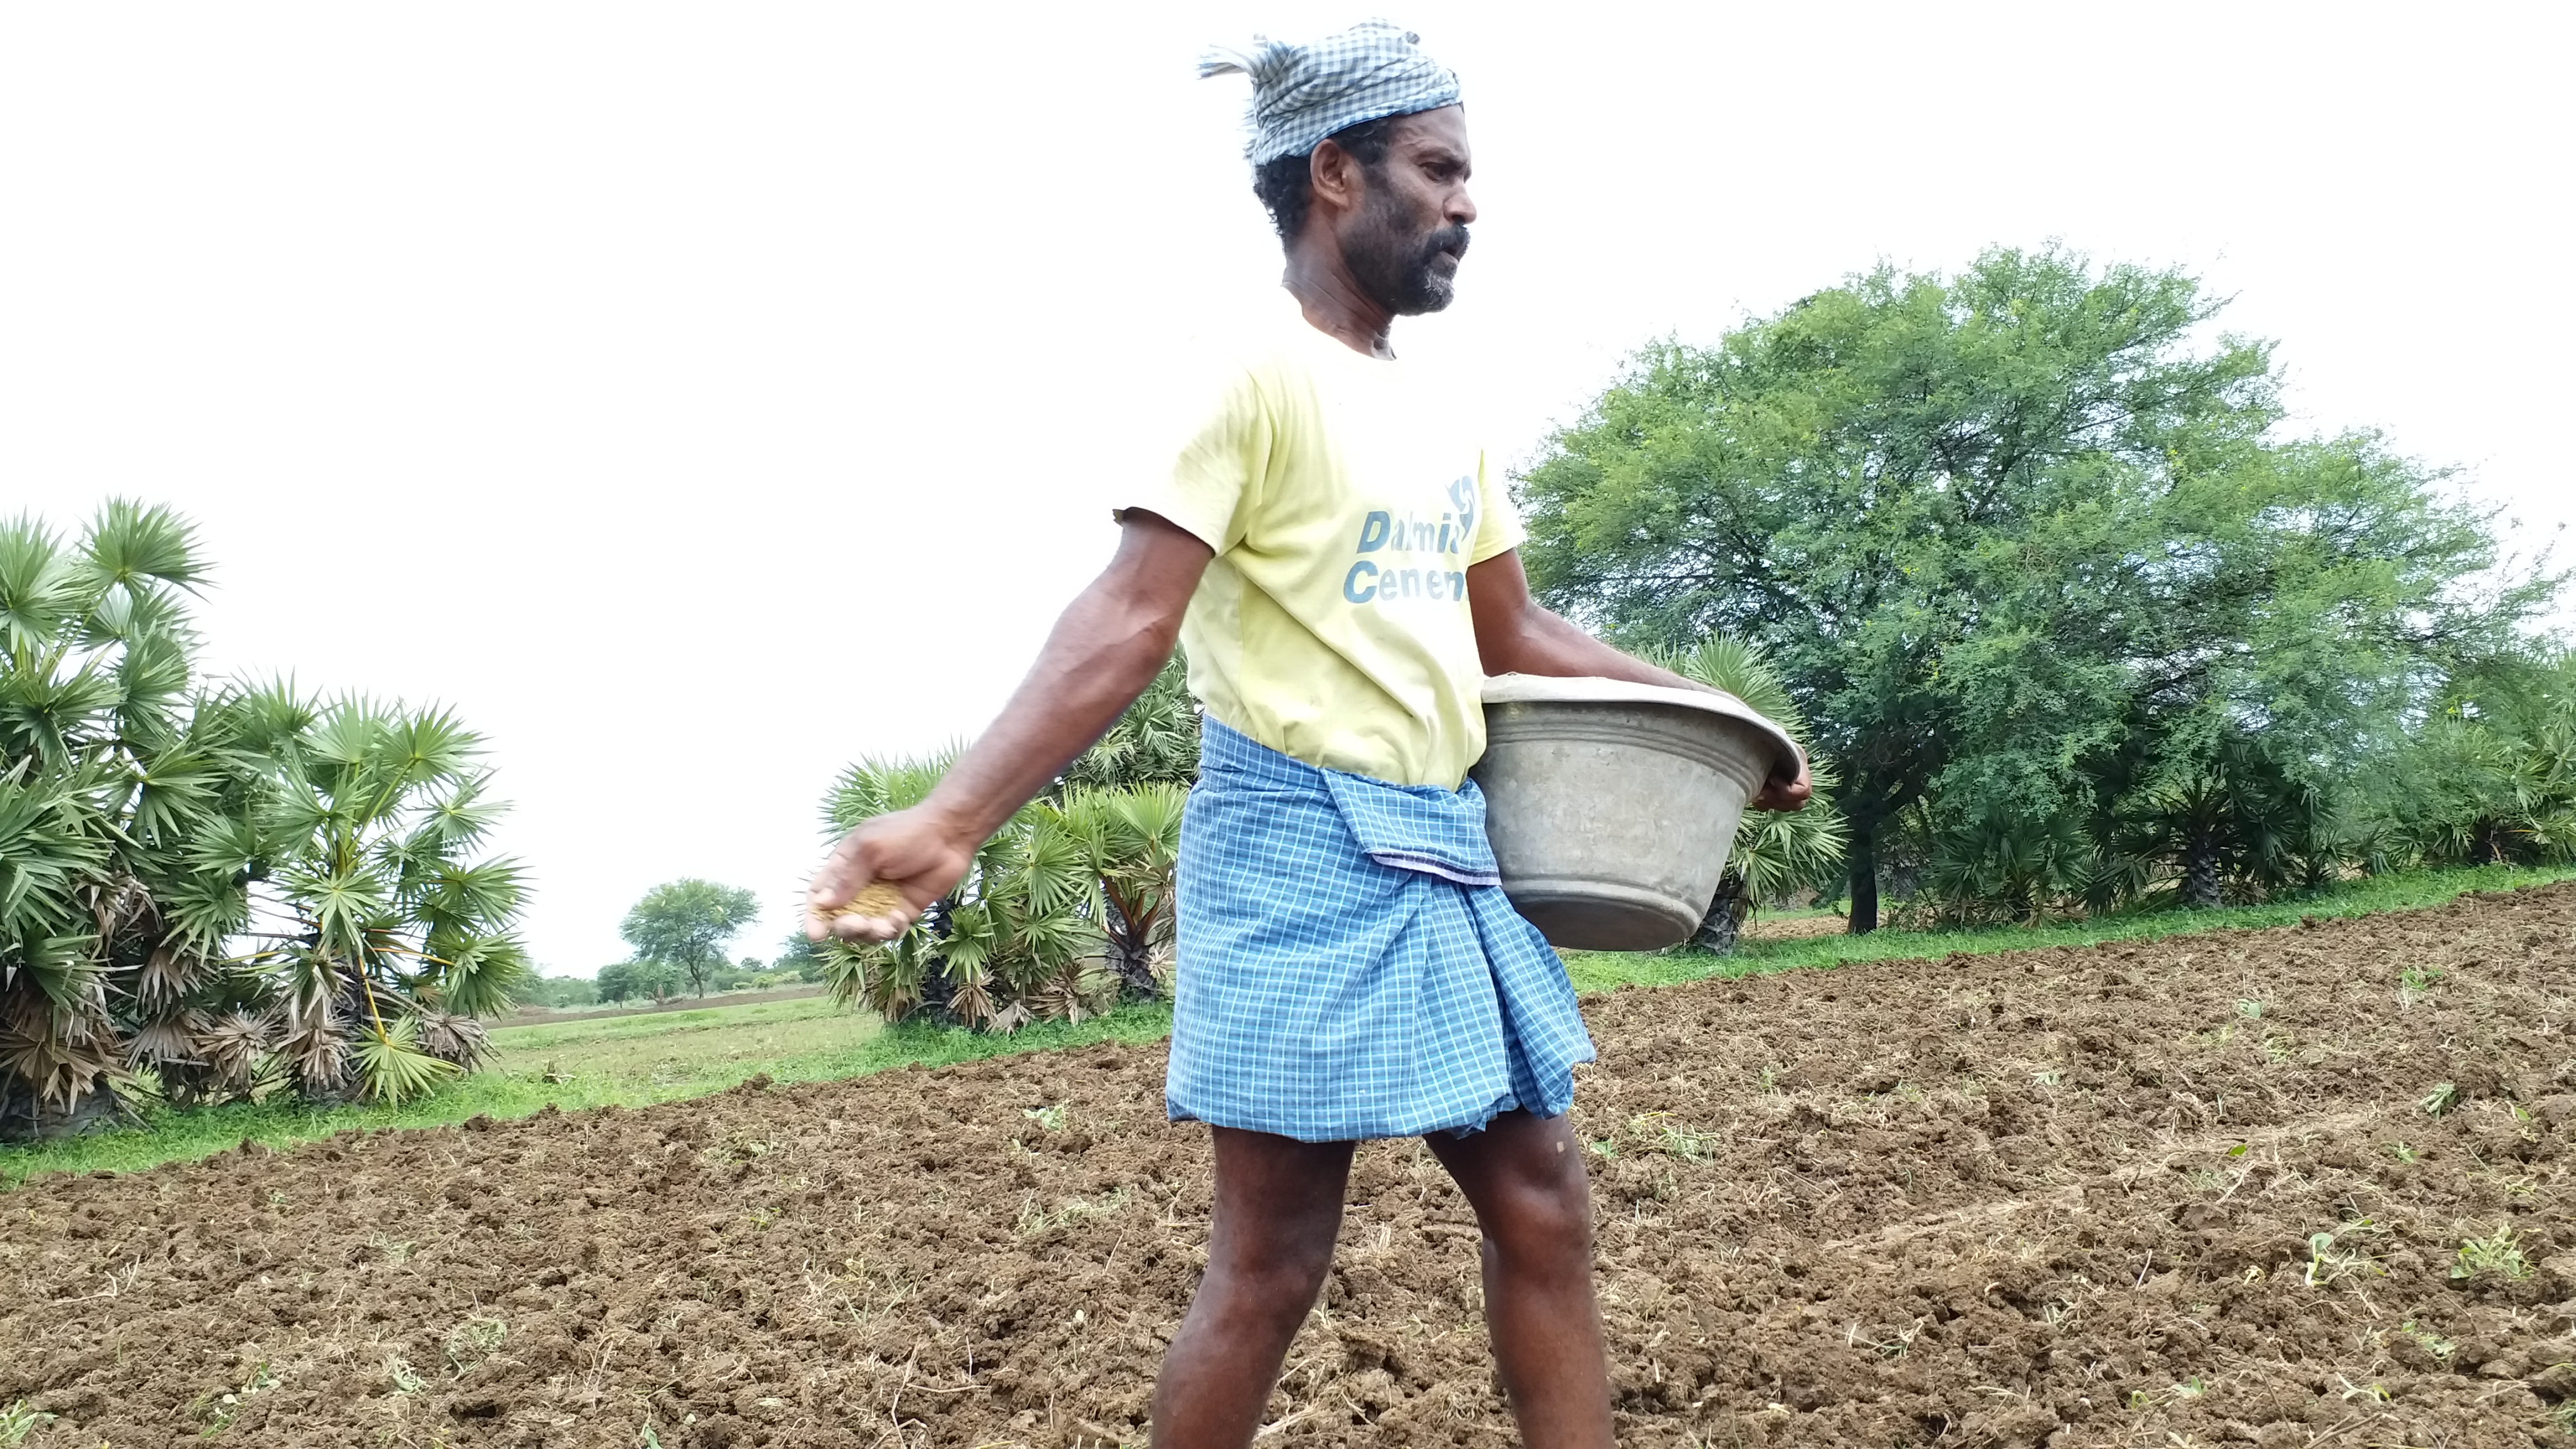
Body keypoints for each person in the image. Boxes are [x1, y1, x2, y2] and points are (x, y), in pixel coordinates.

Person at [806, 21, 1810, 1448]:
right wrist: (952, 821)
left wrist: (1722, 725)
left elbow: (1511, 633)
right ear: (1335, 172)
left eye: (1469, 175)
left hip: (1445, 845)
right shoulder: (1245, 376)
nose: (1468, 202)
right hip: (1294, 841)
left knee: (1544, 1202)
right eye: (1440, 169)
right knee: (1273, 1264)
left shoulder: (1440, 413)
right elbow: (1130, 616)